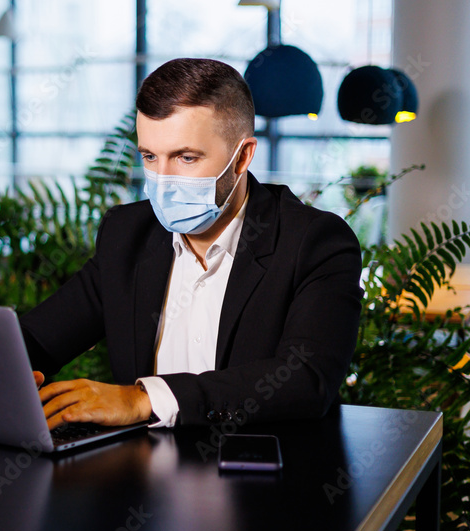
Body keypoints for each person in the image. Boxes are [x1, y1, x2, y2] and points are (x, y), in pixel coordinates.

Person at [19, 57, 363, 430]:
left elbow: (307, 381)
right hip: (142, 475)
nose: (162, 179)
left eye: (186, 157)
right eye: (150, 156)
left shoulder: (314, 243)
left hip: (261, 476)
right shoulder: (127, 233)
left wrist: (145, 399)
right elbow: (37, 339)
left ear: (242, 157)